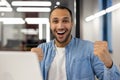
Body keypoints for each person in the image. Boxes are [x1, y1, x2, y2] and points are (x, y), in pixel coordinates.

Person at [31, 6, 120, 80]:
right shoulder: (42, 49)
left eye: (65, 21)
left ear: (71, 23)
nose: (60, 26)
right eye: (55, 21)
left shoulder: (89, 48)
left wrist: (109, 64)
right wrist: (29, 64)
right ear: (50, 24)